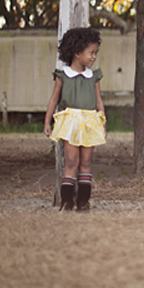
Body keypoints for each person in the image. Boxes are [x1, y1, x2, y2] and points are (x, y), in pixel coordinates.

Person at [44, 27, 106, 212]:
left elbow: (98, 101)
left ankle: (84, 202)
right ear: (77, 53)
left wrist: (102, 122)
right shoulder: (63, 75)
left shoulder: (93, 76)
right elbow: (54, 99)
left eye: (95, 52)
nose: (94, 57)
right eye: (91, 52)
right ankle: (66, 202)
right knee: (71, 161)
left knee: (86, 162)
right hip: (70, 121)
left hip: (90, 121)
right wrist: (47, 122)